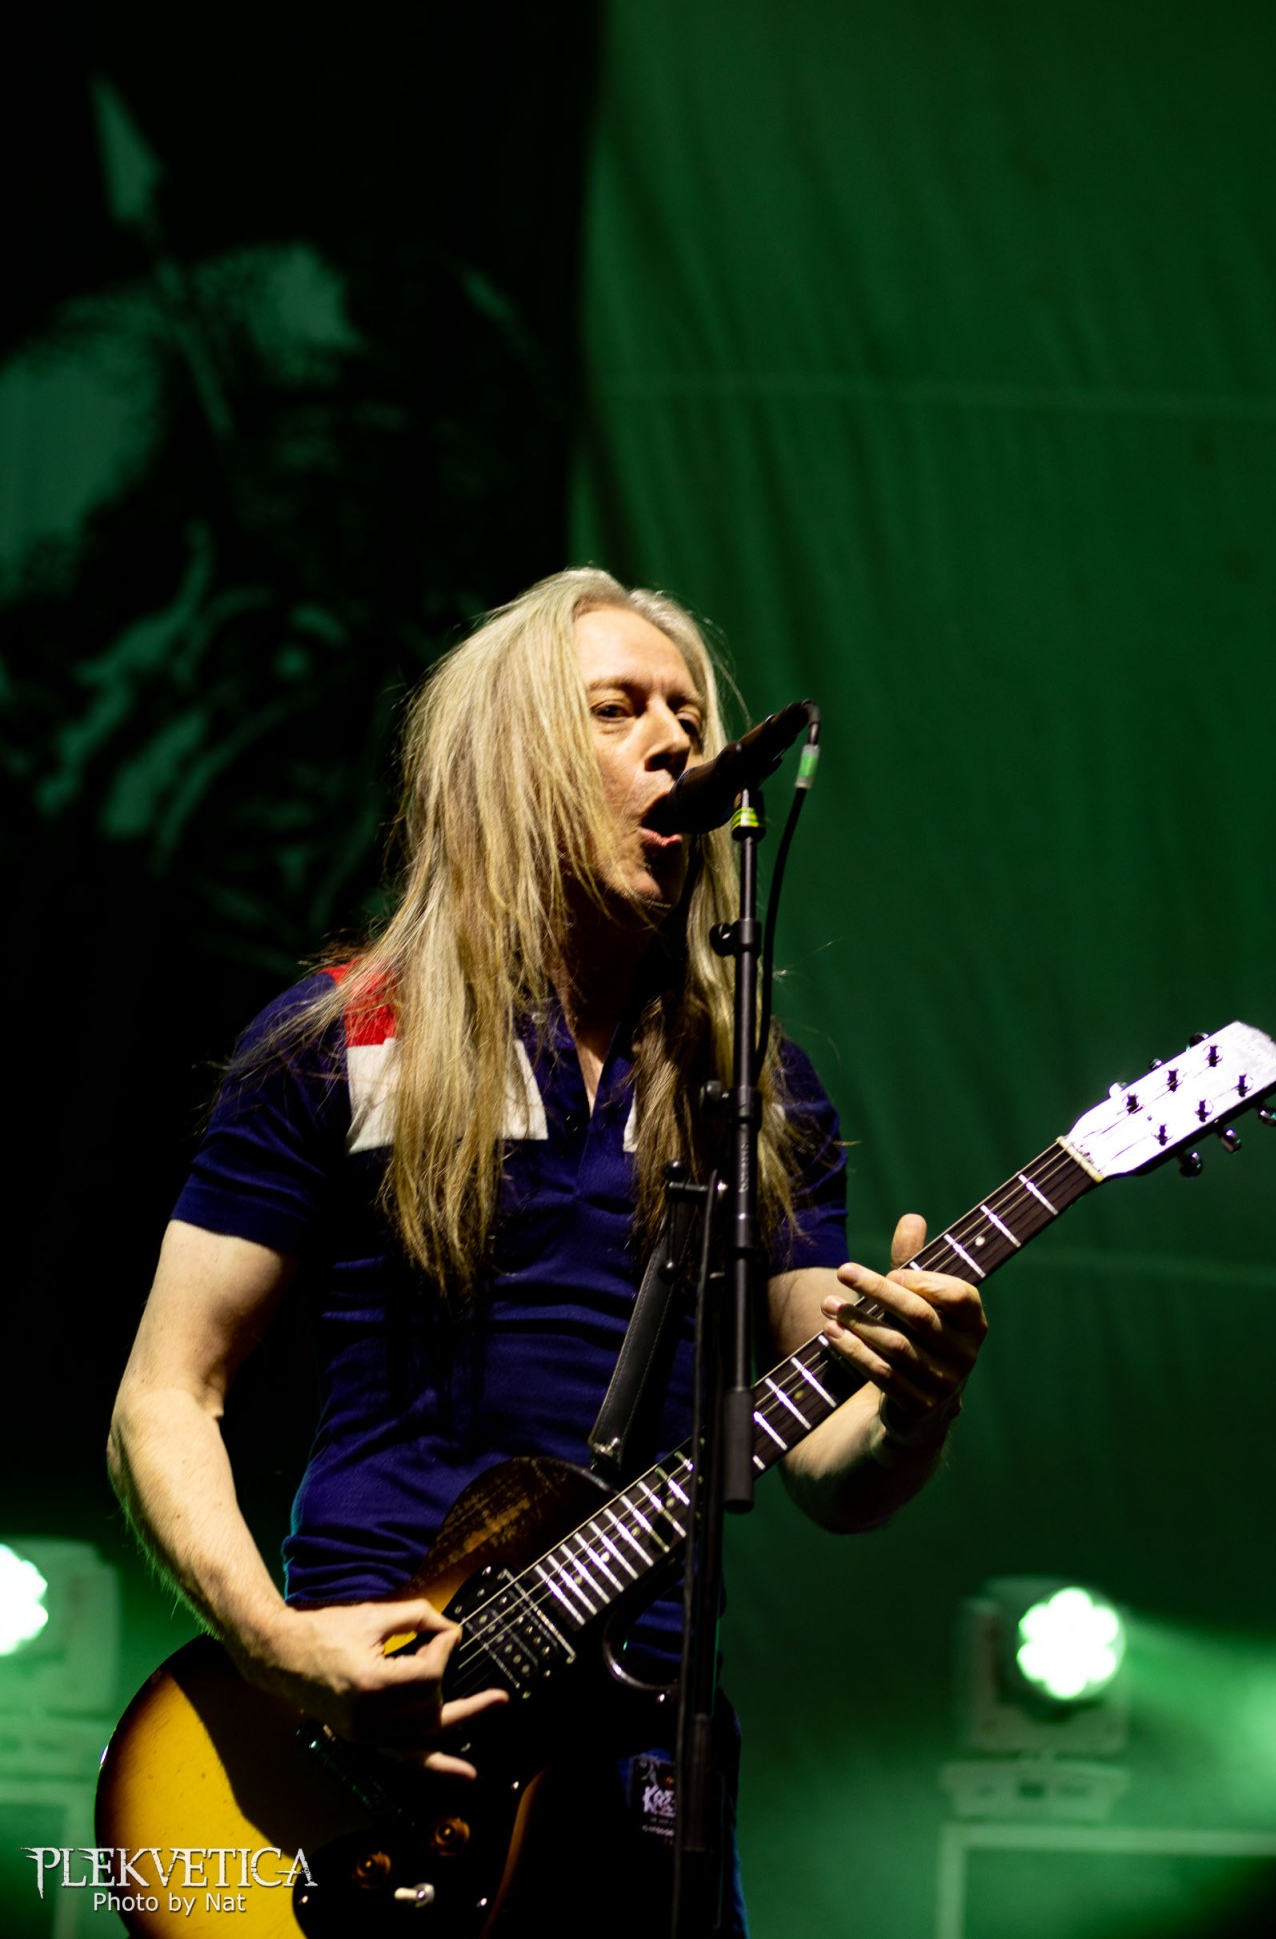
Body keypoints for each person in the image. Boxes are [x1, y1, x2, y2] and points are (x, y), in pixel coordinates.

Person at [107, 568, 987, 1932]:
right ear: (510, 761)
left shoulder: (753, 1093)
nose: (675, 742)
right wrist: (279, 1651)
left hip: (640, 1741)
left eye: (688, 714)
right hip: (378, 1734)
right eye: (617, 710)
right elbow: (166, 1394)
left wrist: (914, 1403)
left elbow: (829, 1464)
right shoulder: (346, 1041)